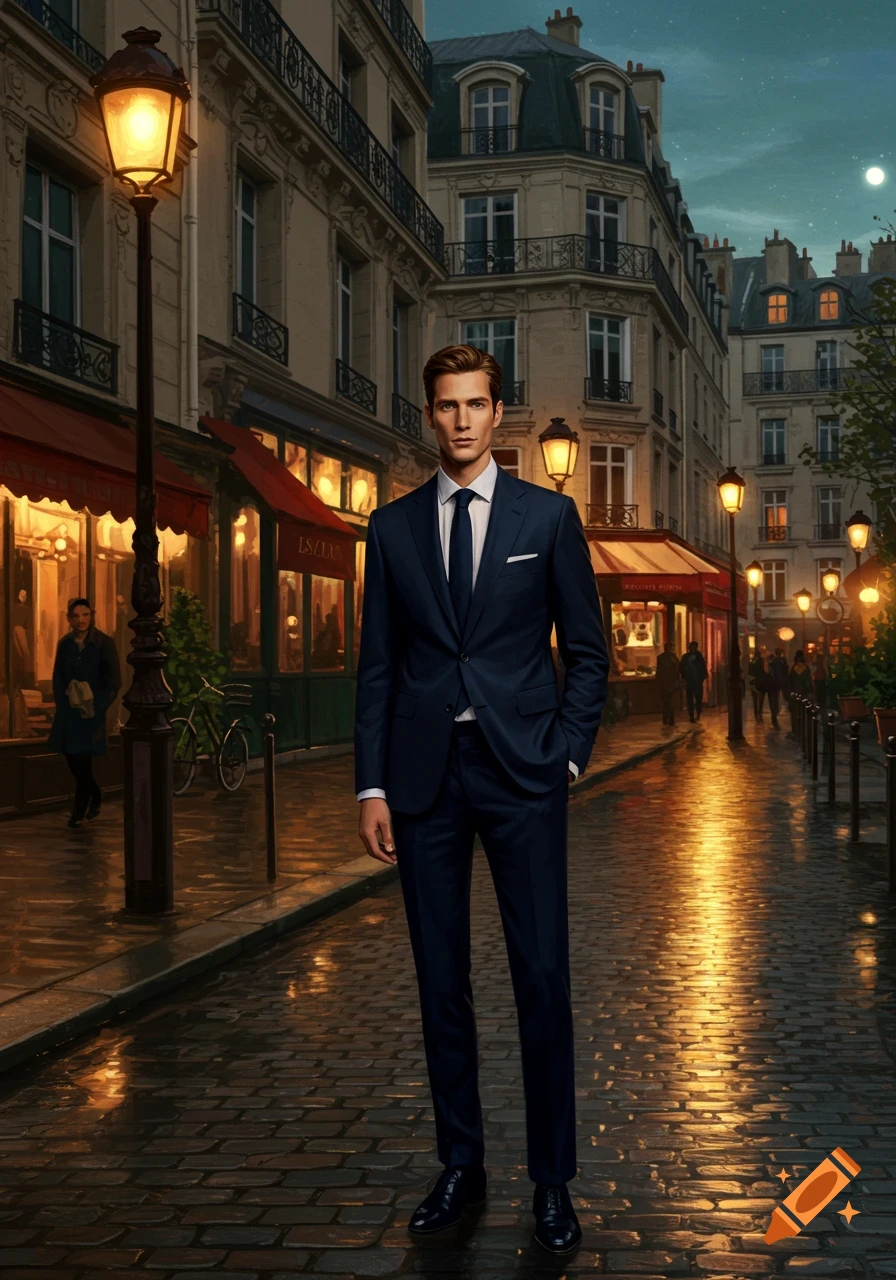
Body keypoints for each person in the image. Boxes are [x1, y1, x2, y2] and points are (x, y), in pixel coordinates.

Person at [354, 343, 608, 1256]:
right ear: (430, 416)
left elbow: (588, 652)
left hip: (522, 774)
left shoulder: (551, 516)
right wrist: (372, 783)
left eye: (475, 404)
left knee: (542, 978)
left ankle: (551, 1183)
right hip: (424, 781)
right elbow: (377, 667)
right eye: (446, 406)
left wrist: (568, 757)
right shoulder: (390, 529)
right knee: (440, 985)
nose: (461, 420)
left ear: (499, 414)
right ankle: (461, 1166)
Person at [48, 598, 120, 828]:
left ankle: (78, 811)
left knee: (83, 759)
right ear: (69, 618)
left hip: (91, 711)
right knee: (73, 758)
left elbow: (114, 681)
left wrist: (98, 705)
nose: (81, 620)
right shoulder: (65, 644)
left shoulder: (103, 643)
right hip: (70, 710)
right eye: (77, 616)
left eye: (86, 615)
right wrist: (62, 702)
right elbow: (58, 677)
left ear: (92, 616)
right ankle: (96, 794)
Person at [678, 639, 708, 722]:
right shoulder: (685, 657)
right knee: (689, 699)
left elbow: (703, 669)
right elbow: (681, 668)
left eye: (693, 647)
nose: (692, 649)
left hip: (697, 681)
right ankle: (691, 715)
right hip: (689, 681)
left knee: (698, 699)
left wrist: (701, 678)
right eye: (691, 647)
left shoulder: (699, 657)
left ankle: (698, 713)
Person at [655, 641, 680, 725]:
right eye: (671, 648)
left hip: (668, 683)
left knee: (667, 702)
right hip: (667, 682)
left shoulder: (669, 657)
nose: (672, 649)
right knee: (668, 702)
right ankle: (669, 719)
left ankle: (667, 719)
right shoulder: (669, 657)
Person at [748, 651, 768, 721]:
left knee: (755, 698)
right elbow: (764, 671)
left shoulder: (752, 662)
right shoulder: (761, 661)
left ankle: (756, 712)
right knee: (761, 698)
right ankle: (759, 712)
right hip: (761, 682)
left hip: (754, 681)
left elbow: (749, 672)